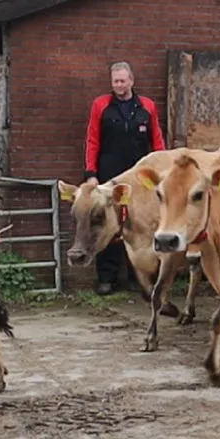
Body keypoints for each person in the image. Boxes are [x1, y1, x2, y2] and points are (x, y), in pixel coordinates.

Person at [83, 61, 166, 294]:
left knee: (138, 223)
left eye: (122, 81)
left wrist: (161, 171)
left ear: (131, 80)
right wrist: (91, 173)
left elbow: (157, 140)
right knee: (106, 221)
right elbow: (92, 139)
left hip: (139, 174)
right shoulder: (101, 105)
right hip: (109, 171)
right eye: (115, 81)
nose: (119, 85)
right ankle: (106, 278)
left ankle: (137, 276)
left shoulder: (147, 106)